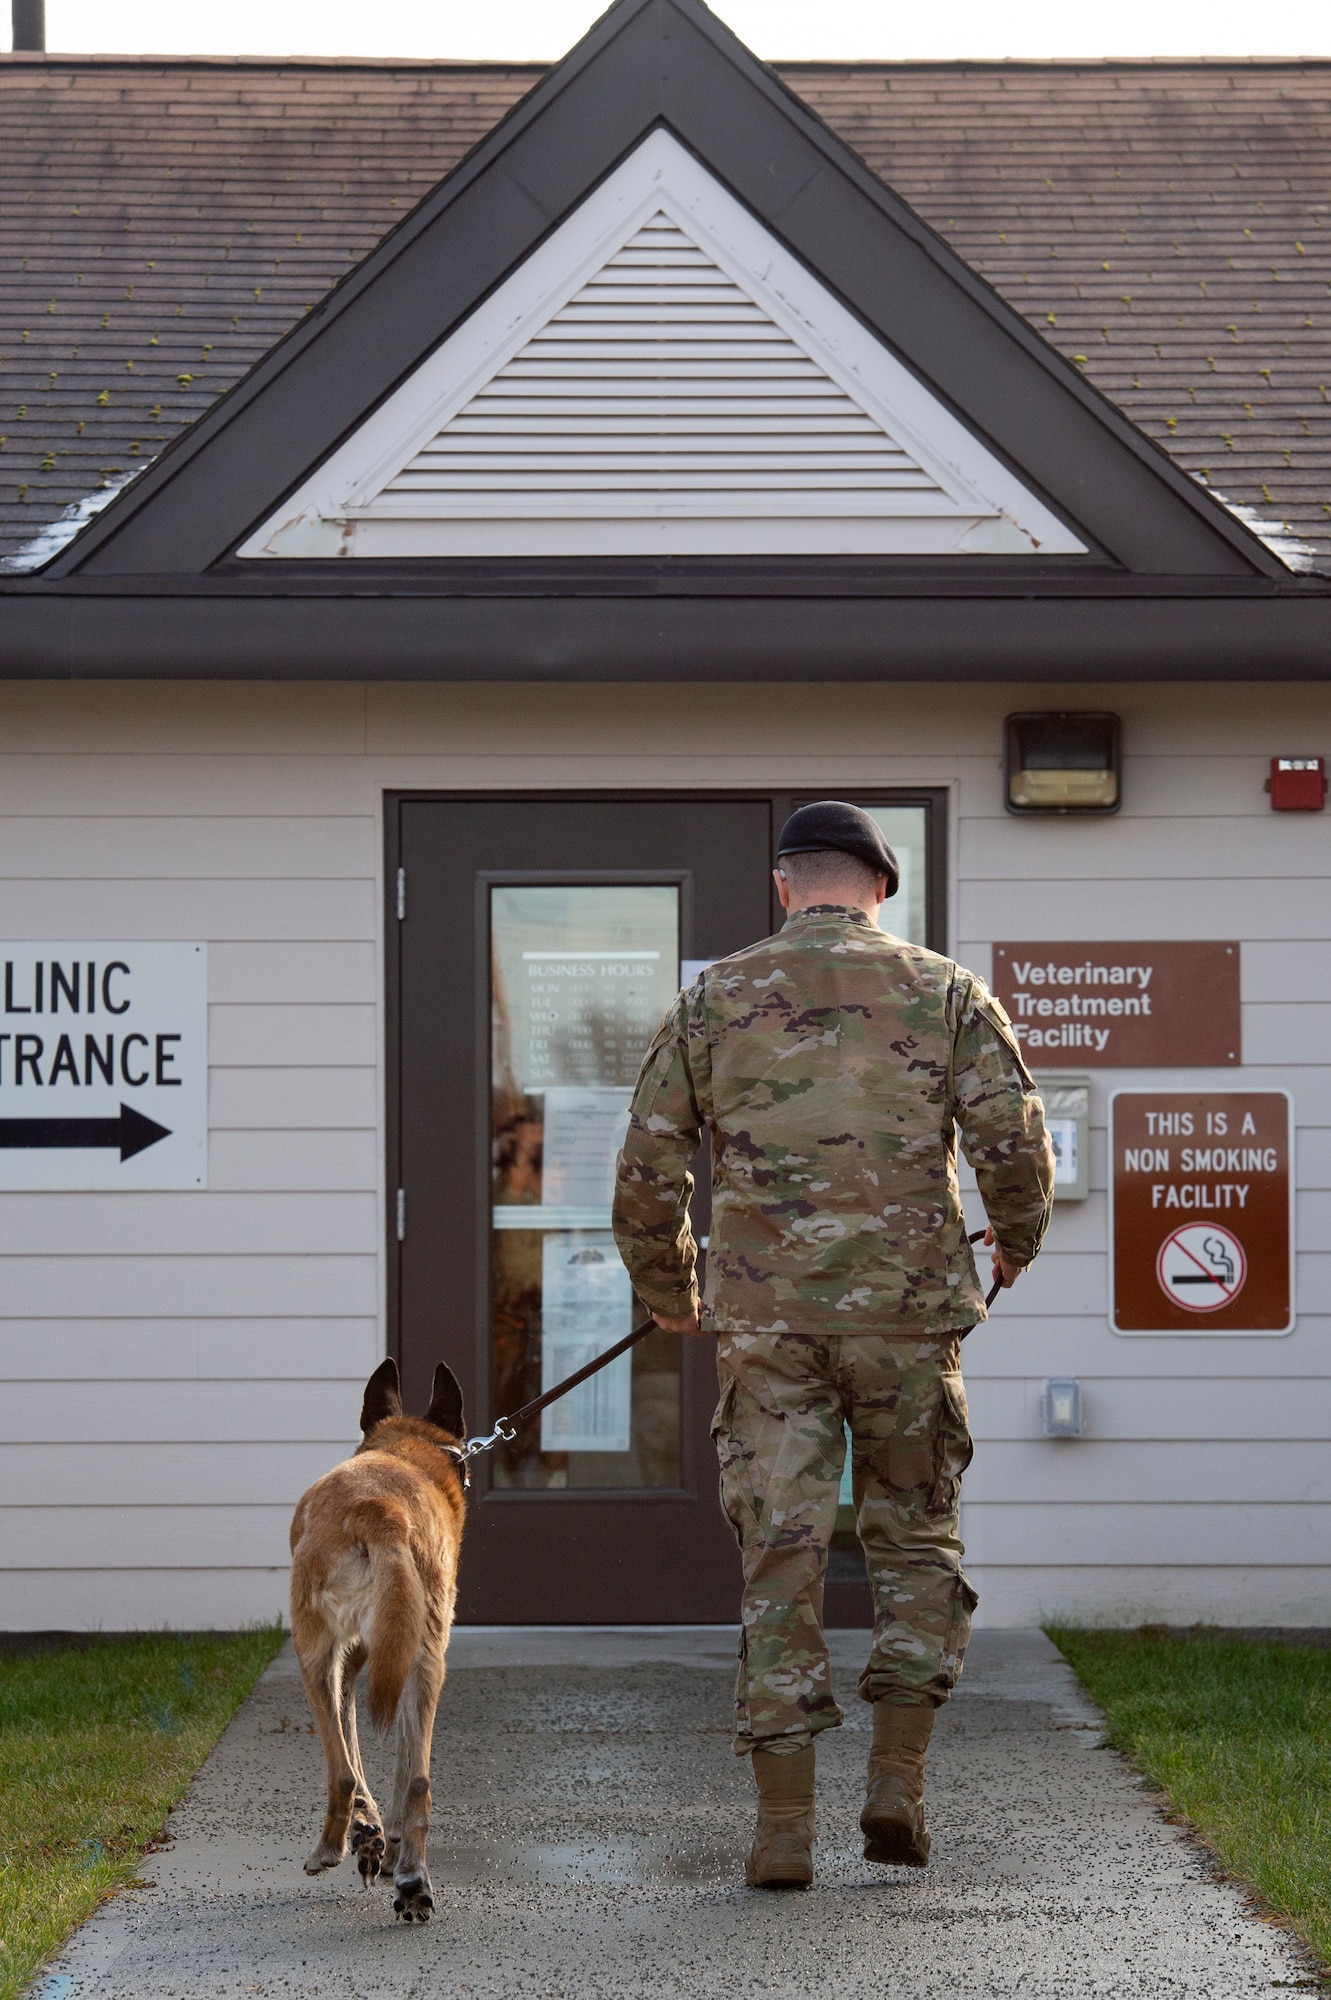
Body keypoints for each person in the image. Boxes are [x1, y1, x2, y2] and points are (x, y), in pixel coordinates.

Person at [611, 800, 1054, 1890]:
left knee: (780, 1554)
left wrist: (670, 1290)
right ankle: (896, 1783)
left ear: (783, 885)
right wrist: (1014, 1245)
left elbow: (646, 1169)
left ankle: (781, 1829)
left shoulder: (713, 998)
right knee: (913, 1538)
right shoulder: (944, 991)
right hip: (906, 1321)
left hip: (768, 1327)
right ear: (880, 888)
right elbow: (1010, 1143)